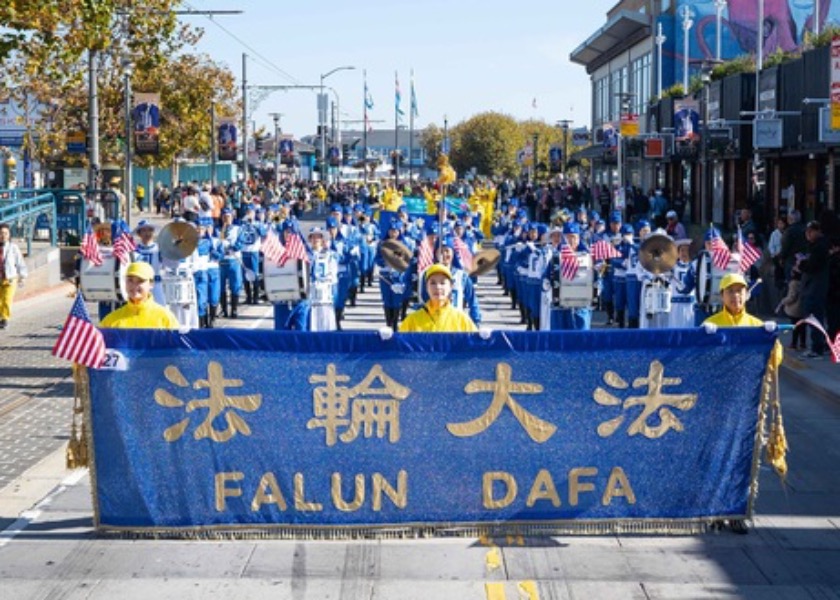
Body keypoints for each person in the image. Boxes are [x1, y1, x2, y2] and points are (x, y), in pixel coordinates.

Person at [398, 264, 478, 333]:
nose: (438, 287)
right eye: (433, 283)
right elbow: (399, 346)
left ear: (450, 287)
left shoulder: (462, 320)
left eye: (443, 283)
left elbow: (475, 347)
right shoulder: (412, 321)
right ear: (426, 287)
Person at [99, 262, 179, 329]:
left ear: (151, 284)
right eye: (130, 280)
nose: (134, 285)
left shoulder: (166, 319)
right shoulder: (110, 321)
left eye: (140, 281)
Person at [0, 222, 28, 329]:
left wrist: (23, 276)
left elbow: (20, 262)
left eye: (5, 233)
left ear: (9, 235)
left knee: (7, 299)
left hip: (10, 279)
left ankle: (4, 319)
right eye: (1, 233)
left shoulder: (13, 247)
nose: (3, 236)